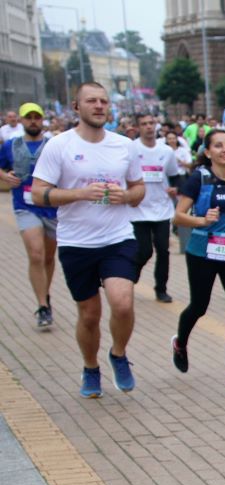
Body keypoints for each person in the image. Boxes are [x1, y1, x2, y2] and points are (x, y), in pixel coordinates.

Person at [30, 82, 144, 398]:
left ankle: (119, 354)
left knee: (122, 303)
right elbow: (38, 193)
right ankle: (91, 367)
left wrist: (126, 195)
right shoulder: (58, 146)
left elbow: (139, 190)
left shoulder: (125, 145)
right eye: (91, 101)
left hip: (117, 237)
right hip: (76, 242)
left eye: (104, 101)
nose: (99, 106)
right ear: (76, 107)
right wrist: (80, 193)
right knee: (89, 315)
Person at [170, 128, 225, 389]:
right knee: (199, 306)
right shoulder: (200, 178)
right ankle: (180, 342)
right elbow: (178, 216)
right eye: (218, 146)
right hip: (202, 252)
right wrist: (201, 219)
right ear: (208, 152)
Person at [0, 102, 57, 330]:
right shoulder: (10, 146)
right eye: (28, 117)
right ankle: (42, 306)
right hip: (24, 205)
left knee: (48, 258)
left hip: (51, 207)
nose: (33, 121)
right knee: (35, 254)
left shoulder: (53, 146)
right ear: (22, 121)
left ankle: (46, 293)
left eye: (36, 117)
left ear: (42, 120)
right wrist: (6, 177)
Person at [130, 113, 181, 304]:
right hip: (138, 209)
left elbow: (175, 176)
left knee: (163, 249)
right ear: (138, 127)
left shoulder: (166, 151)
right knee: (144, 250)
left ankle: (161, 289)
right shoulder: (132, 149)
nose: (149, 127)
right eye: (144, 124)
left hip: (161, 208)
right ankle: (130, 277)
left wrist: (175, 188)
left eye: (151, 123)